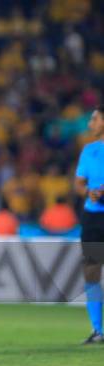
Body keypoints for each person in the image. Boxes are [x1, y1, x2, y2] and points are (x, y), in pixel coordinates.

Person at [74, 104, 104, 344]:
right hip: (93, 217)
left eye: (94, 119)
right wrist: (89, 193)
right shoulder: (89, 150)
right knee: (92, 271)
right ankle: (98, 330)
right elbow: (79, 184)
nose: (90, 124)